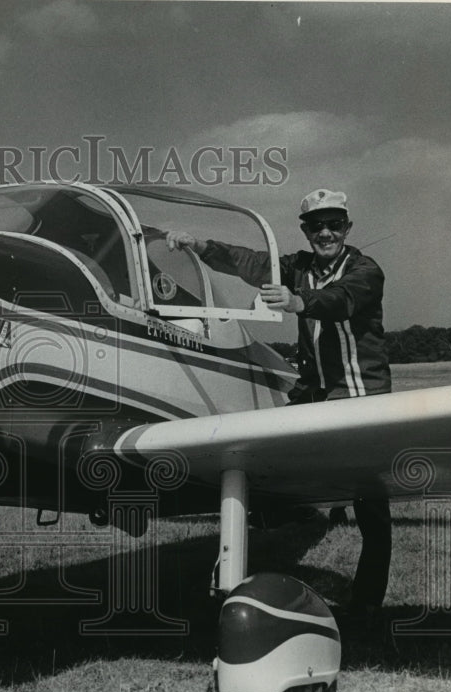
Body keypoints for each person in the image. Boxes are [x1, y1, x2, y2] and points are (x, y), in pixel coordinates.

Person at [166, 188, 392, 624]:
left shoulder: (366, 270)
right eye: (315, 225)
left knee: (371, 503)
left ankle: (367, 600)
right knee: (273, 454)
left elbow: (342, 300)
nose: (325, 232)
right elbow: (252, 263)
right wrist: (200, 245)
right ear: (305, 230)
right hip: (313, 389)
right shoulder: (299, 267)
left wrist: (299, 302)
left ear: (347, 228)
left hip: (360, 391)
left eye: (334, 224)